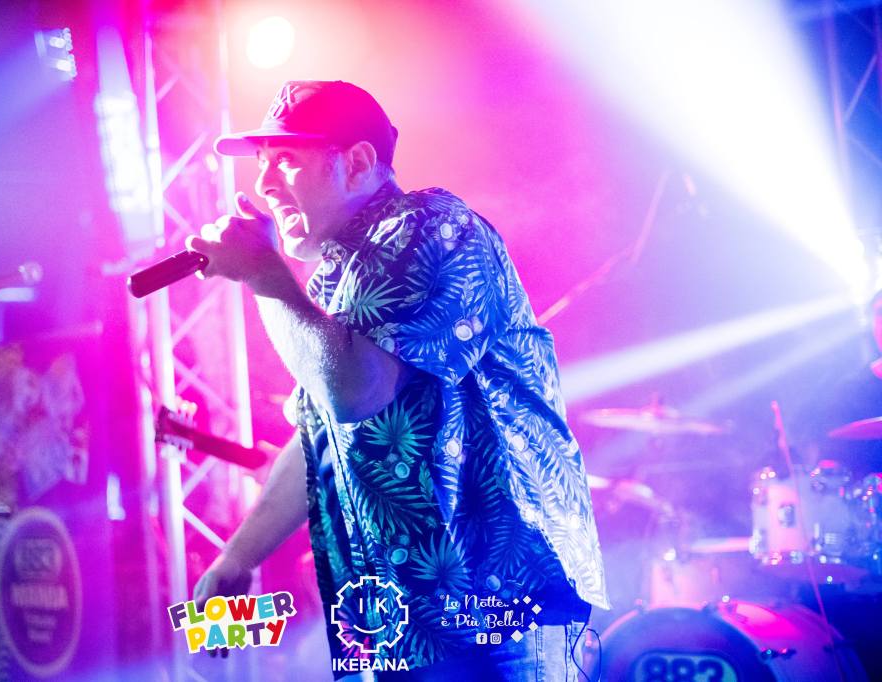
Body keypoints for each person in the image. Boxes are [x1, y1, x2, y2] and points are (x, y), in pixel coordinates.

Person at [189, 80, 609, 681]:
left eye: (285, 160)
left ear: (358, 163)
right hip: (404, 622)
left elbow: (353, 393)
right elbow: (321, 437)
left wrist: (262, 274)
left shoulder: (430, 227)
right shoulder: (338, 279)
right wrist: (239, 555)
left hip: (498, 605)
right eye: (261, 164)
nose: (264, 184)